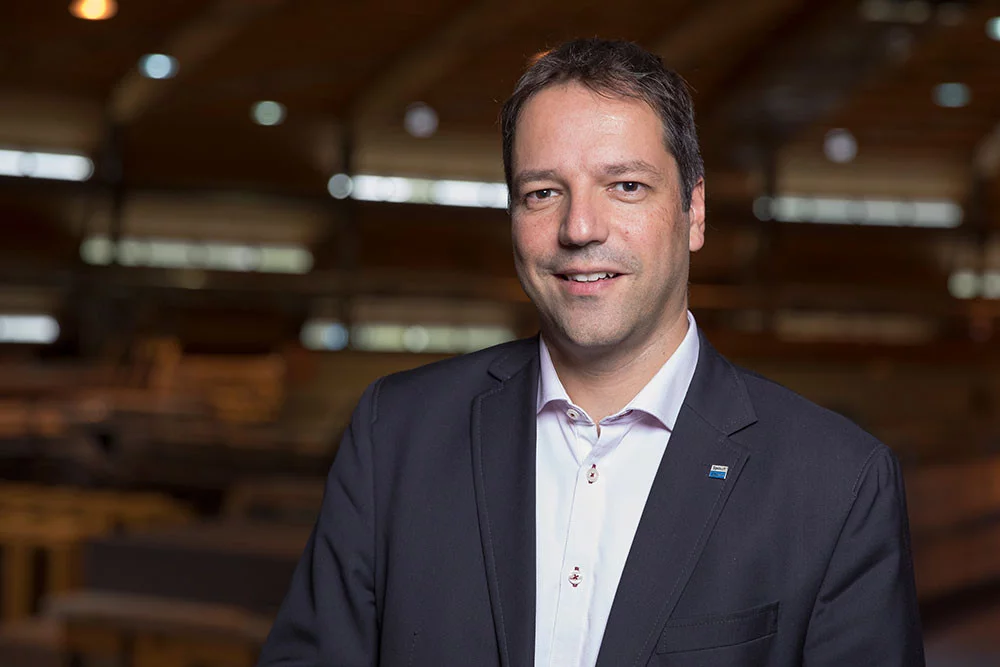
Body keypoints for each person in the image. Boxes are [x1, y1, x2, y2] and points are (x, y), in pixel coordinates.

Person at [257, 38, 925, 667]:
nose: (579, 228)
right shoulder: (395, 433)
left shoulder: (837, 484)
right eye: (543, 192)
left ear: (693, 211)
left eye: (625, 185)